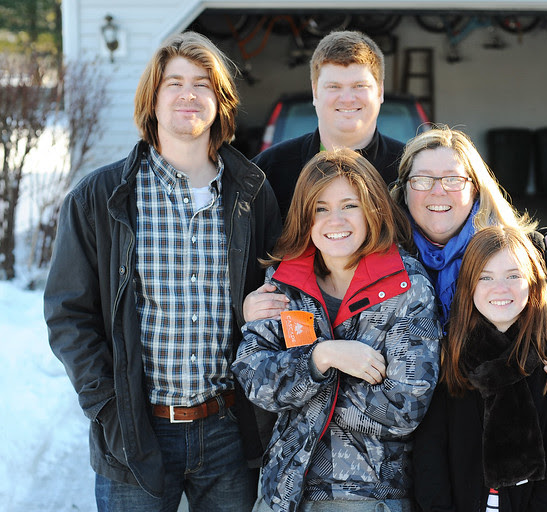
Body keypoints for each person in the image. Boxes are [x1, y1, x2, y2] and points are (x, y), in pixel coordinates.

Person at [43, 32, 281, 512]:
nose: (188, 94)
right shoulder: (100, 197)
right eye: (174, 83)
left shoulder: (251, 194)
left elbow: (281, 292)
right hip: (136, 432)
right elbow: (68, 315)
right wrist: (108, 409)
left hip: (228, 432)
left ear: (220, 101)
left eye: (202, 84)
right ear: (153, 99)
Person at [232, 149, 441, 512]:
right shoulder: (285, 280)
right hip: (282, 493)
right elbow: (254, 380)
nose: (335, 220)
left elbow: (404, 409)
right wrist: (322, 356)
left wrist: (299, 389)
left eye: (350, 206)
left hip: (366, 495)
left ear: (373, 209)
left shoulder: (406, 286)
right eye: (321, 208)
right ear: (305, 216)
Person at [388, 126, 547, 414]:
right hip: (415, 430)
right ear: (404, 189)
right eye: (422, 180)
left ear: (475, 188)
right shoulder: (383, 260)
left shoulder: (521, 253)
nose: (438, 190)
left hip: (497, 427)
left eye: (453, 179)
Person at [412, 225, 547, 511]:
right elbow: (429, 458)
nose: (500, 288)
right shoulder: (449, 357)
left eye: (513, 276)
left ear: (533, 282)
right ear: (468, 286)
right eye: (485, 277)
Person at [253, 30, 404, 220]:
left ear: (380, 91)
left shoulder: (408, 172)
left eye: (359, 86)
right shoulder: (268, 171)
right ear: (315, 91)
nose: (347, 99)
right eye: (334, 87)